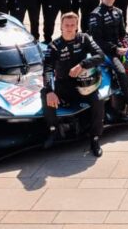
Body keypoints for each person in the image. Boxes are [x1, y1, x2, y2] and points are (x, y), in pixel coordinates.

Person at [41, 12, 105, 156]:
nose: (69, 28)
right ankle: (53, 130)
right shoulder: (53, 46)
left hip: (83, 84)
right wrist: (50, 90)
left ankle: (95, 138)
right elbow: (47, 69)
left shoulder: (84, 38)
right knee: (45, 93)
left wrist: (82, 65)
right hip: (63, 86)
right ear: (61, 27)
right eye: (66, 25)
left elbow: (100, 56)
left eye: (72, 25)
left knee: (98, 101)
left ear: (77, 26)